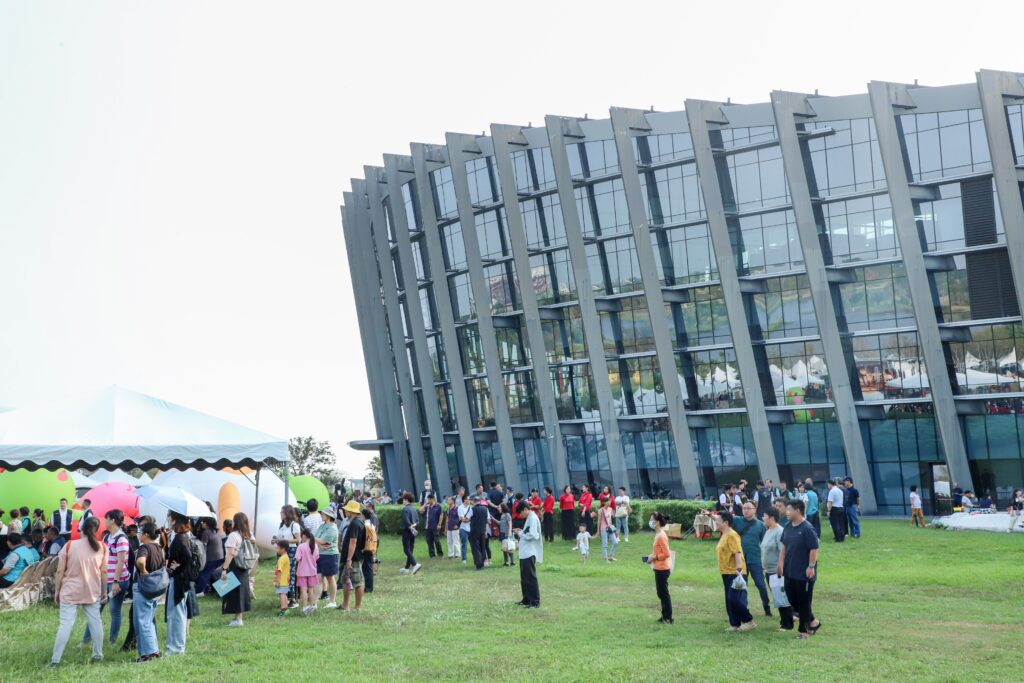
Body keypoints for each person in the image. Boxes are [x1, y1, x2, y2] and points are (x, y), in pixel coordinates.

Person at [49, 517, 108, 667]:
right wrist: (104, 592)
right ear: (97, 530)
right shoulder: (103, 547)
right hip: (92, 590)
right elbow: (104, 572)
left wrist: (57, 591)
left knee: (65, 625)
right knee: (95, 623)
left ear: (81, 529)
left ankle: (55, 660)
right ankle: (97, 655)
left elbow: (60, 571)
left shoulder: (70, 545)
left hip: (70, 590)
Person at [83, 509, 130, 646]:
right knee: (96, 609)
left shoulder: (121, 539)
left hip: (117, 580)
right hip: (104, 579)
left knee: (114, 610)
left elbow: (121, 561)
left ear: (113, 520)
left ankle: (112, 641)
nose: (104, 521)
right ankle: (85, 640)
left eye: (106, 518)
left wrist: (116, 581)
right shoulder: (107, 537)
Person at [777, 499, 821, 639]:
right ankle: (813, 621)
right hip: (789, 571)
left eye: (789, 509)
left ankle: (804, 631)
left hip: (804, 572)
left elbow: (814, 548)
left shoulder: (807, 528)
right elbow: (784, 546)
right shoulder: (788, 526)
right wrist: (780, 563)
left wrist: (811, 566)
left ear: (797, 510)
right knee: (792, 599)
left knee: (803, 601)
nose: (786, 512)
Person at [715, 512, 755, 632]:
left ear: (725, 523)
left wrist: (738, 569)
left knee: (734, 599)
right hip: (726, 571)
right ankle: (734, 624)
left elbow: (737, 552)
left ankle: (749, 621)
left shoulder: (732, 535)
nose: (715, 523)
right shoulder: (724, 534)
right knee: (729, 599)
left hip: (735, 572)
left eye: (717, 521)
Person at [730, 501, 770, 617]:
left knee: (761, 585)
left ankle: (766, 607)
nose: (746, 510)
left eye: (748, 508)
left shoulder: (761, 525)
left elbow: (765, 544)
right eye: (744, 508)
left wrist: (764, 561)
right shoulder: (736, 520)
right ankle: (744, 609)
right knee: (742, 585)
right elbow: (723, 519)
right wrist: (711, 515)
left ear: (754, 510)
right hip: (740, 560)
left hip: (755, 560)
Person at [132, 523, 164, 662]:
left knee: (143, 621)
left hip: (144, 586)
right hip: (155, 587)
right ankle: (153, 650)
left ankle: (148, 654)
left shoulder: (144, 547)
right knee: (148, 620)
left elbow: (140, 561)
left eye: (140, 532)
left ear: (145, 535)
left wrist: (143, 571)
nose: (139, 535)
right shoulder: (159, 548)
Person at [759, 508, 793, 631]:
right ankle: (784, 621)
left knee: (782, 598)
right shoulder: (768, 530)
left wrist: (780, 568)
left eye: (765, 516)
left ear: (772, 518)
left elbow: (783, 552)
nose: (763, 518)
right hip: (769, 571)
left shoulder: (779, 532)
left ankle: (787, 624)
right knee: (778, 598)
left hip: (777, 571)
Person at [164, 513, 192, 654]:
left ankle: (176, 648)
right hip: (181, 579)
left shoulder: (180, 538)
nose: (168, 520)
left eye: (169, 518)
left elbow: (188, 556)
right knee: (177, 612)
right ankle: (176, 646)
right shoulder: (183, 537)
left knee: (176, 614)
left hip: (179, 580)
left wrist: (177, 567)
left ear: (174, 520)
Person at [220, 511, 255, 625]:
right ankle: (237, 617)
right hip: (244, 564)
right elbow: (253, 542)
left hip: (235, 564)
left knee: (234, 591)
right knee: (240, 591)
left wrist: (224, 569)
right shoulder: (248, 534)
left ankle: (238, 619)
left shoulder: (233, 535)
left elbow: (230, 553)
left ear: (236, 522)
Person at [645, 511, 673, 624]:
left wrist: (655, 557)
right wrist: (651, 557)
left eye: (652, 520)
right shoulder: (658, 534)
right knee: (661, 593)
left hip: (662, 569)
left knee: (663, 594)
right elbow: (659, 551)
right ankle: (665, 616)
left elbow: (667, 554)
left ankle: (668, 617)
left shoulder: (661, 536)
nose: (650, 521)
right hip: (658, 567)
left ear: (657, 522)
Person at [272, 505, 302, 608]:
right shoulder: (282, 525)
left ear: (287, 513)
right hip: (281, 551)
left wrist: (283, 541)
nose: (280, 514)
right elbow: (278, 536)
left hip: (291, 551)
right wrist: (274, 540)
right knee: (282, 574)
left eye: (282, 512)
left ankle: (293, 599)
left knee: (290, 574)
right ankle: (285, 598)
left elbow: (298, 540)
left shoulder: (294, 525)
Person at [514, 500, 542, 608]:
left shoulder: (533, 518)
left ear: (525, 509)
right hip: (525, 552)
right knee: (524, 578)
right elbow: (527, 532)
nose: (521, 515)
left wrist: (520, 533)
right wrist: (521, 531)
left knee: (530, 578)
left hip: (529, 552)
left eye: (521, 513)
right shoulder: (529, 518)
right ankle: (526, 599)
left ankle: (535, 601)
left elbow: (532, 535)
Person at [339, 500, 366, 611]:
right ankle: (345, 605)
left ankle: (357, 607)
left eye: (347, 510)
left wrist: (349, 559)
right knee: (345, 580)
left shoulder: (355, 523)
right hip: (350, 557)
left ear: (352, 511)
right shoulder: (356, 522)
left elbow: (353, 542)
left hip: (354, 558)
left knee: (357, 582)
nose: (345, 511)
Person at [314, 505, 340, 608]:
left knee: (330, 577)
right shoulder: (322, 526)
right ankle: (314, 603)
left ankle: (332, 602)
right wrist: (319, 542)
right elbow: (318, 540)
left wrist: (318, 541)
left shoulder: (333, 527)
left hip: (330, 555)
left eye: (323, 514)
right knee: (318, 578)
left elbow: (323, 540)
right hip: (320, 554)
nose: (321, 515)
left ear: (328, 516)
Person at [196, 517, 224, 595]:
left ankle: (200, 591)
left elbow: (203, 547)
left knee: (204, 574)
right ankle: (216, 590)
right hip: (220, 557)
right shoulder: (217, 532)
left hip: (211, 558)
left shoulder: (206, 532)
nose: (202, 523)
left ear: (207, 524)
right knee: (215, 573)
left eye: (203, 522)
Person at [295, 528, 320, 613]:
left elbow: (297, 558)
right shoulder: (315, 546)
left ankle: (304, 607)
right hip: (312, 571)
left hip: (302, 572)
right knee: (311, 590)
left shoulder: (301, 546)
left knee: (303, 590)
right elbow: (317, 557)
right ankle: (312, 605)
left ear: (304, 536)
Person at [399, 492, 422, 574]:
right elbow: (417, 521)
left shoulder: (405, 509)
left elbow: (406, 521)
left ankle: (415, 565)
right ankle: (406, 568)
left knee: (406, 549)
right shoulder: (413, 509)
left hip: (407, 531)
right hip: (413, 531)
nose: (403, 501)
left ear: (406, 499)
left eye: (403, 499)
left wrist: (410, 526)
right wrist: (413, 527)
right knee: (410, 549)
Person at [469, 495, 489, 570]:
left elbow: (467, 518)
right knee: (482, 547)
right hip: (483, 530)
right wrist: (486, 531)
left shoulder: (472, 509)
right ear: (480, 501)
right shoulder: (485, 509)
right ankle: (483, 563)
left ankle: (478, 564)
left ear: (474, 501)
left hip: (474, 531)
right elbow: (487, 520)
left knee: (476, 548)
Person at [420, 493, 444, 559]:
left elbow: (441, 515)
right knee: (429, 542)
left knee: (437, 541)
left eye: (429, 499)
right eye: (427, 499)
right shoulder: (427, 507)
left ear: (433, 499)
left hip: (435, 527)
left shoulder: (438, 506)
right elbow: (421, 510)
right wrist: (425, 504)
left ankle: (440, 554)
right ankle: (432, 555)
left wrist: (439, 524)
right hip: (427, 527)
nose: (428, 500)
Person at [360, 508, 378, 593]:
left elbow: (366, 538)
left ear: (363, 515)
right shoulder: (371, 524)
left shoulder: (366, 525)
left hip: (367, 548)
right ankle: (369, 587)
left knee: (367, 569)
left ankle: (368, 588)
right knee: (369, 568)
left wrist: (363, 548)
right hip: (372, 548)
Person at [270, 540, 290, 617]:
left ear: (283, 549)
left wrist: (277, 581)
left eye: (278, 547)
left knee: (281, 594)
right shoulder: (286, 557)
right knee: (284, 594)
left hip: (281, 581)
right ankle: (286, 609)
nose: (276, 549)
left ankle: (283, 609)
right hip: (286, 580)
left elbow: (279, 570)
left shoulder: (281, 559)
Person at [598, 497, 618, 562]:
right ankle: (605, 558)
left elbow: (611, 519)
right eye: (607, 501)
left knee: (615, 542)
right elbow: (599, 521)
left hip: (610, 528)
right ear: (604, 502)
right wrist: (598, 531)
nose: (609, 502)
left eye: (609, 501)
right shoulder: (601, 510)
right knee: (605, 544)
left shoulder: (610, 509)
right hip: (603, 529)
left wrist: (612, 527)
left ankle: (611, 556)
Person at [445, 495, 462, 560]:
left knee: (456, 541)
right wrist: (446, 528)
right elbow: (447, 519)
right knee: (449, 542)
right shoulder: (448, 509)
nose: (448, 501)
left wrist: (458, 525)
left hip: (455, 528)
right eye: (447, 500)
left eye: (449, 500)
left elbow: (461, 518)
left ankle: (458, 555)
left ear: (453, 501)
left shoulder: (457, 508)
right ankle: (450, 555)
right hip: (449, 527)